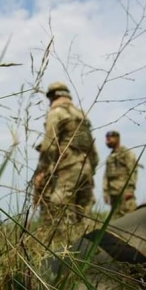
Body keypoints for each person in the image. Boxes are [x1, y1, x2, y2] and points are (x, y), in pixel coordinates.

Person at [33, 81, 99, 232]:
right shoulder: (81, 114)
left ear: (52, 96)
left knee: (59, 204)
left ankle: (66, 247)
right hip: (86, 165)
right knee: (85, 208)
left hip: (67, 166)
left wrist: (43, 171)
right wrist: (91, 167)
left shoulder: (56, 113)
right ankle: (90, 245)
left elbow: (49, 145)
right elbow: (92, 147)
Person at [102, 131, 137, 218]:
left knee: (129, 217)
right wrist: (105, 192)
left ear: (117, 138)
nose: (107, 142)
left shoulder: (126, 153)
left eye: (109, 139)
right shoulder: (110, 157)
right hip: (113, 193)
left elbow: (132, 170)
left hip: (124, 192)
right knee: (116, 218)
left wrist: (130, 189)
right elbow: (106, 175)